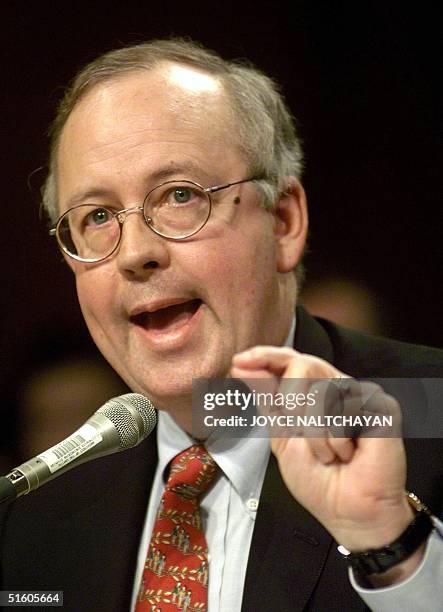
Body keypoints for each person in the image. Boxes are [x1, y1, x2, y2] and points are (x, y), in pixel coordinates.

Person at [0, 38, 441, 612]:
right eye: (98, 216)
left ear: (283, 222)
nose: (135, 253)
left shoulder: (431, 414)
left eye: (180, 195)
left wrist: (393, 547)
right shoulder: (36, 514)